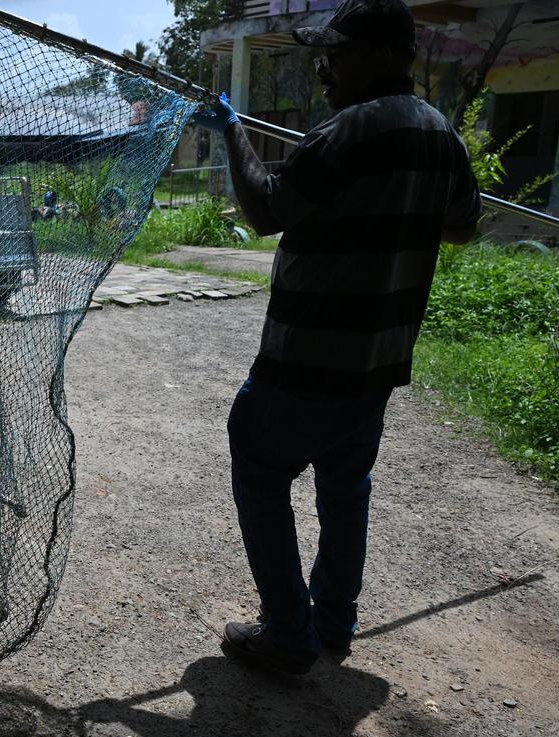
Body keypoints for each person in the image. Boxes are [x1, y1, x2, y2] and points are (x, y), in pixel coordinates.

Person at [192, 0, 480, 675]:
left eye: (337, 56)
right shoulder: (442, 135)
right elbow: (463, 225)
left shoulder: (347, 132)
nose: (324, 71)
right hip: (376, 367)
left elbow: (264, 209)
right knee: (346, 489)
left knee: (261, 474)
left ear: (384, 56)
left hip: (304, 364)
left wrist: (234, 131)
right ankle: (333, 623)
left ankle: (289, 635)